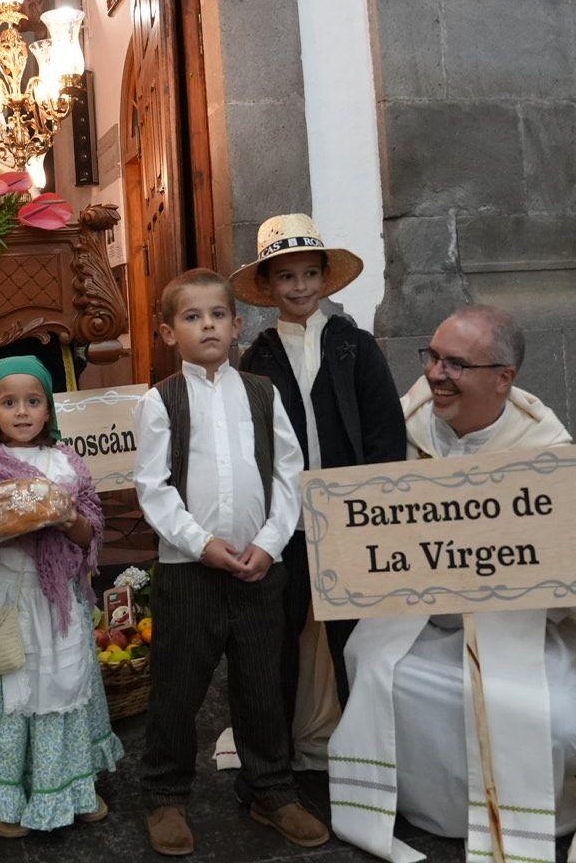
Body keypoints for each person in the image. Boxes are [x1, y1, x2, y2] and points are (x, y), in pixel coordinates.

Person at [327, 305, 576, 863]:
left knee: (554, 723)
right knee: (379, 671)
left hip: (519, 630)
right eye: (431, 356)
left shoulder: (547, 454)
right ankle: (438, 809)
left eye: (455, 363)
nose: (433, 374)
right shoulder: (401, 427)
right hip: (421, 626)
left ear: (504, 378)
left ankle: (526, 810)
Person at [132, 268, 331, 856]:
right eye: (191, 318)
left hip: (259, 569)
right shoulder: (159, 401)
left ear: (238, 324)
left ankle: (269, 789)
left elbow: (288, 474)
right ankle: (166, 794)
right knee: (177, 686)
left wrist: (270, 543)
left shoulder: (263, 393)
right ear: (170, 333)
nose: (207, 325)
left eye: (217, 315)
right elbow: (154, 487)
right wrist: (201, 544)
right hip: (189, 571)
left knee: (262, 684)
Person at [230, 213, 406, 769]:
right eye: (286, 277)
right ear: (269, 288)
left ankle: (368, 751)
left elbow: (384, 429)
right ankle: (273, 756)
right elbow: (250, 442)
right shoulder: (257, 358)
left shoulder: (355, 347)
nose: (300, 286)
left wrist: (375, 502)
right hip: (284, 526)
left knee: (354, 639)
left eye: (310, 273)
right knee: (278, 637)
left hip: (351, 521)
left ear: (326, 278)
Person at [0, 355, 123, 837]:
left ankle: (70, 785)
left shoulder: (68, 464)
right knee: (7, 695)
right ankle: (6, 795)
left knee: (63, 690)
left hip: (57, 602)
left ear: (49, 410)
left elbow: (90, 534)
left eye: (32, 401)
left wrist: (66, 519)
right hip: (2, 599)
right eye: (9, 402)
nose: (21, 411)